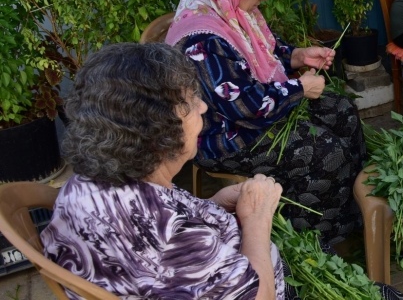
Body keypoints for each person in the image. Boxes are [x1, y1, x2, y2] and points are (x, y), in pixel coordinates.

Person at [41, 43, 287, 299]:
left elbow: (163, 238)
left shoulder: (89, 180)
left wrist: (213, 205)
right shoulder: (169, 237)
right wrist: (257, 218)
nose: (202, 107)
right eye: (190, 101)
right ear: (159, 130)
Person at [165, 0, 364, 246]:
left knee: (342, 111)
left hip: (257, 113)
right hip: (224, 136)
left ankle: (350, 214)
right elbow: (246, 107)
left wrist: (297, 55)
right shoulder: (201, 39)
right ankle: (316, 246)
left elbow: (264, 52)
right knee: (324, 150)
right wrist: (299, 88)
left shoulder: (233, 9)